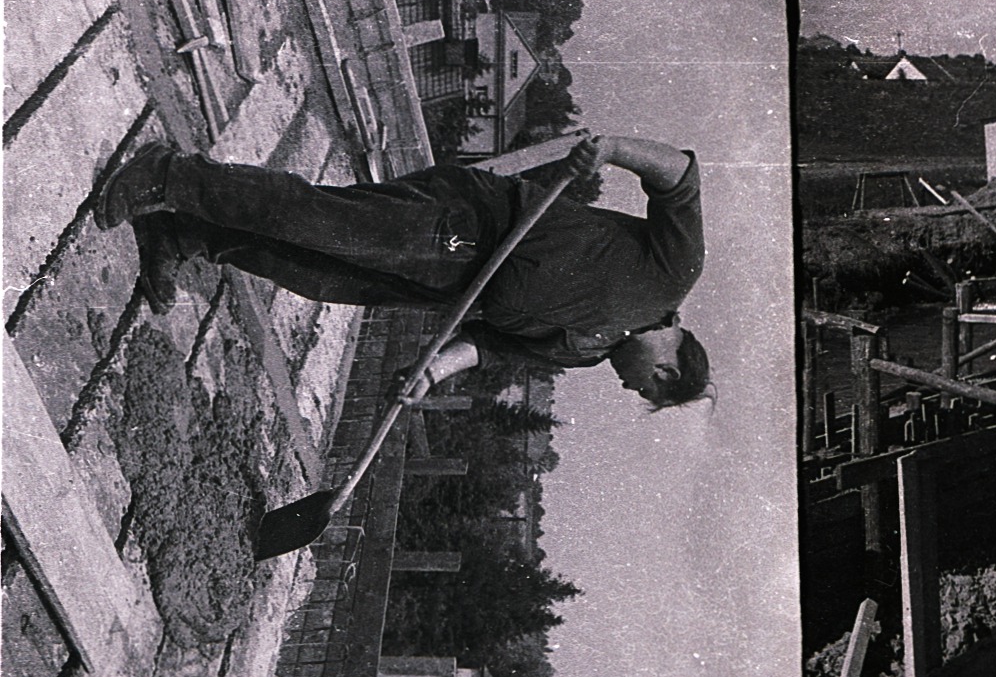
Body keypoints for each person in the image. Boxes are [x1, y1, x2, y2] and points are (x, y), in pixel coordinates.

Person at [97, 134, 710, 408]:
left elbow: (491, 349)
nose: (630, 388)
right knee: (317, 221)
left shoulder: (587, 352)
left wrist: (435, 371)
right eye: (645, 389)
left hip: (444, 286)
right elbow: (680, 177)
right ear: (668, 368)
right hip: (470, 227)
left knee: (318, 273)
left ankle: (182, 234)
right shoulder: (673, 273)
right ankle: (172, 174)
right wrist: (613, 151)